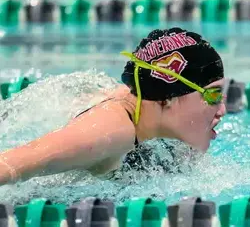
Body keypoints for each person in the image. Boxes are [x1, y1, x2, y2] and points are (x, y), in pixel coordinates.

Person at [0, 27, 226, 185]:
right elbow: (10, 165)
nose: (222, 110)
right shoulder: (105, 134)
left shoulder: (154, 116)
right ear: (167, 99)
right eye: (213, 95)